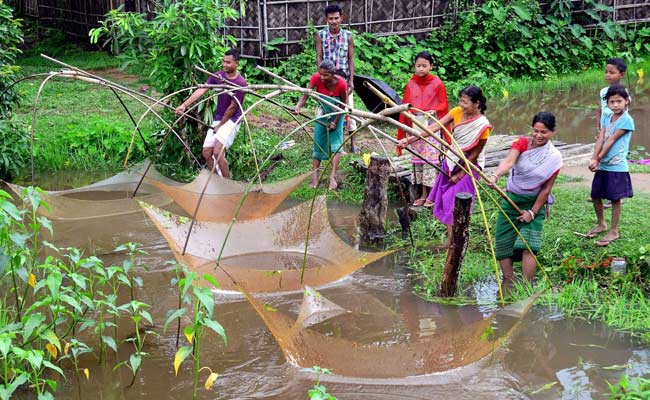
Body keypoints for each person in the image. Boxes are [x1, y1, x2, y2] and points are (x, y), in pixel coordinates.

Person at [398, 85, 491, 247]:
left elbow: (475, 154)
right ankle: (453, 241)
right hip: (452, 160)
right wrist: (410, 140)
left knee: (453, 199)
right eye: (460, 101)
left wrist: (460, 175)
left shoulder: (483, 125)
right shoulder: (456, 112)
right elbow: (434, 127)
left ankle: (456, 241)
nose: (461, 105)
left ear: (476, 104)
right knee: (444, 200)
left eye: (465, 102)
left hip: (470, 166)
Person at [486, 112, 563, 284]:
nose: (538, 135)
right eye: (535, 131)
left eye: (544, 132)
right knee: (503, 241)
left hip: (534, 202)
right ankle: (509, 281)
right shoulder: (521, 143)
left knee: (530, 245)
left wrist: (533, 212)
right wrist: (495, 176)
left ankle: (526, 287)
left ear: (552, 132)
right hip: (511, 198)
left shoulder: (555, 158)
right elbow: (508, 162)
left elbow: (546, 190)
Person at [175, 48, 247, 178]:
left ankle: (228, 183)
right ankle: (216, 180)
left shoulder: (241, 83)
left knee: (218, 152)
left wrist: (220, 126)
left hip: (231, 120)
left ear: (236, 63)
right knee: (207, 153)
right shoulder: (217, 76)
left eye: (228, 62)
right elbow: (202, 90)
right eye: (223, 61)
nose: (225, 64)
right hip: (219, 118)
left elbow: (232, 107)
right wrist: (184, 105)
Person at [396, 51, 449, 207]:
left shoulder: (438, 83)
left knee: (430, 162)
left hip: (431, 126)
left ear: (431, 66)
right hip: (415, 126)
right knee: (418, 161)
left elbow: (443, 104)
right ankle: (423, 194)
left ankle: (431, 195)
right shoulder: (411, 84)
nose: (421, 69)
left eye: (424, 66)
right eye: (418, 66)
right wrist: (405, 124)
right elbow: (405, 105)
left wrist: (434, 110)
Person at [584, 84, 634, 246]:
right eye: (612, 102)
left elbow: (611, 141)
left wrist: (597, 159)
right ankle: (601, 223)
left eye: (619, 101)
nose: (615, 105)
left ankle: (614, 230)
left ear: (626, 101)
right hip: (603, 164)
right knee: (595, 195)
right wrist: (593, 158)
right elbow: (601, 138)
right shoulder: (607, 116)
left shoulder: (627, 120)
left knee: (615, 199)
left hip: (617, 166)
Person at [294, 60, 348, 190]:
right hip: (322, 111)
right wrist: (298, 106)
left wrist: (335, 122)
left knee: (336, 144)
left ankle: (332, 177)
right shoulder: (315, 78)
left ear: (332, 74)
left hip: (336, 112)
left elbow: (343, 105)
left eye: (326, 75)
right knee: (318, 142)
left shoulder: (341, 83)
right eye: (321, 74)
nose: (322, 78)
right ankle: (315, 178)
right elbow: (306, 94)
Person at [315, 4, 357, 152]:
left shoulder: (348, 36)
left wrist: (351, 80)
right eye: (331, 18)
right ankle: (331, 143)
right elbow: (319, 58)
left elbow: (351, 58)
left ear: (341, 18)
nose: (334, 21)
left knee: (348, 109)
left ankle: (353, 144)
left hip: (343, 79)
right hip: (327, 81)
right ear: (326, 19)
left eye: (336, 18)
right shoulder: (321, 35)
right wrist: (321, 77)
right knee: (328, 111)